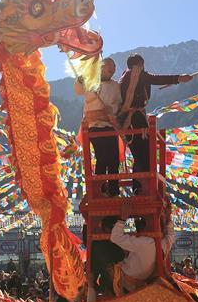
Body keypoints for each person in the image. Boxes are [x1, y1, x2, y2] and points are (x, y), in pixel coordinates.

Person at [117, 54, 191, 194]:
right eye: (142, 65)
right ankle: (141, 188)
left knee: (140, 154)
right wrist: (178, 78)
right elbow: (154, 78)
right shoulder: (136, 73)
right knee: (143, 154)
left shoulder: (125, 77)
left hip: (128, 120)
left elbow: (150, 80)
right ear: (139, 64)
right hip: (135, 119)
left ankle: (140, 187)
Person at [76, 56, 122, 196]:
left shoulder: (116, 86)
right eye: (109, 66)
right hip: (94, 125)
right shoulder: (91, 83)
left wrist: (111, 109)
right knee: (102, 157)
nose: (112, 69)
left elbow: (118, 104)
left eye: (113, 67)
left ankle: (113, 190)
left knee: (114, 159)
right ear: (101, 67)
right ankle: (100, 189)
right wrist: (80, 79)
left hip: (109, 125)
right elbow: (79, 91)